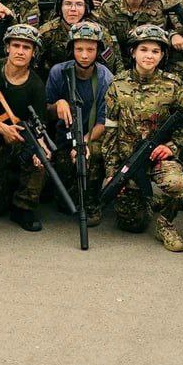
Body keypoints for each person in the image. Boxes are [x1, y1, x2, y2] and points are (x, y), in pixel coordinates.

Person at [102, 24, 183, 251]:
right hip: (129, 160)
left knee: (177, 184)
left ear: (162, 55)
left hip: (160, 157)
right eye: (143, 49)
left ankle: (166, 224)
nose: (149, 56)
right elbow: (110, 131)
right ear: (133, 52)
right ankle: (149, 200)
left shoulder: (173, 85)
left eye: (155, 51)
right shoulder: (117, 85)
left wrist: (171, 147)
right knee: (132, 224)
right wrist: (111, 172)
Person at [0, 24, 47, 231]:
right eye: (16, 45)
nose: (20, 51)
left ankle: (24, 207)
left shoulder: (36, 85)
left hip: (16, 144)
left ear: (34, 53)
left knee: (40, 157)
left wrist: (41, 149)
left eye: (27, 47)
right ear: (7, 47)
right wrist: (1, 128)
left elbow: (39, 127)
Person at [45, 22, 115, 226]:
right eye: (79, 49)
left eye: (90, 50)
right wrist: (58, 104)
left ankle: (92, 202)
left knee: (90, 158)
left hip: (91, 138)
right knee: (63, 201)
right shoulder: (58, 72)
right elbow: (45, 111)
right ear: (71, 50)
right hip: (64, 139)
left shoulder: (105, 78)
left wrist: (83, 143)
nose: (84, 55)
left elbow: (103, 122)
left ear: (98, 51)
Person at [37, 0, 121, 78]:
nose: (73, 9)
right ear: (60, 7)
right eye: (68, 4)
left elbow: (113, 65)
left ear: (86, 8)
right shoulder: (46, 32)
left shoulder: (99, 32)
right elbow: (34, 65)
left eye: (79, 4)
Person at [96, 0, 168, 64]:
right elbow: (108, 43)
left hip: (147, 60)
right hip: (116, 59)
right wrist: (120, 71)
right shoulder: (109, 5)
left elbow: (157, 42)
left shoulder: (157, 4)